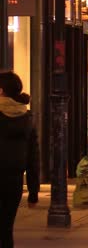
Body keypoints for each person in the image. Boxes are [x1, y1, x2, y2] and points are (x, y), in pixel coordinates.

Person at [0, 72, 39, 248]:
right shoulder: (26, 117)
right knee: (6, 229)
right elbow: (33, 157)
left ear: (1, 91)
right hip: (14, 181)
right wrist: (33, 190)